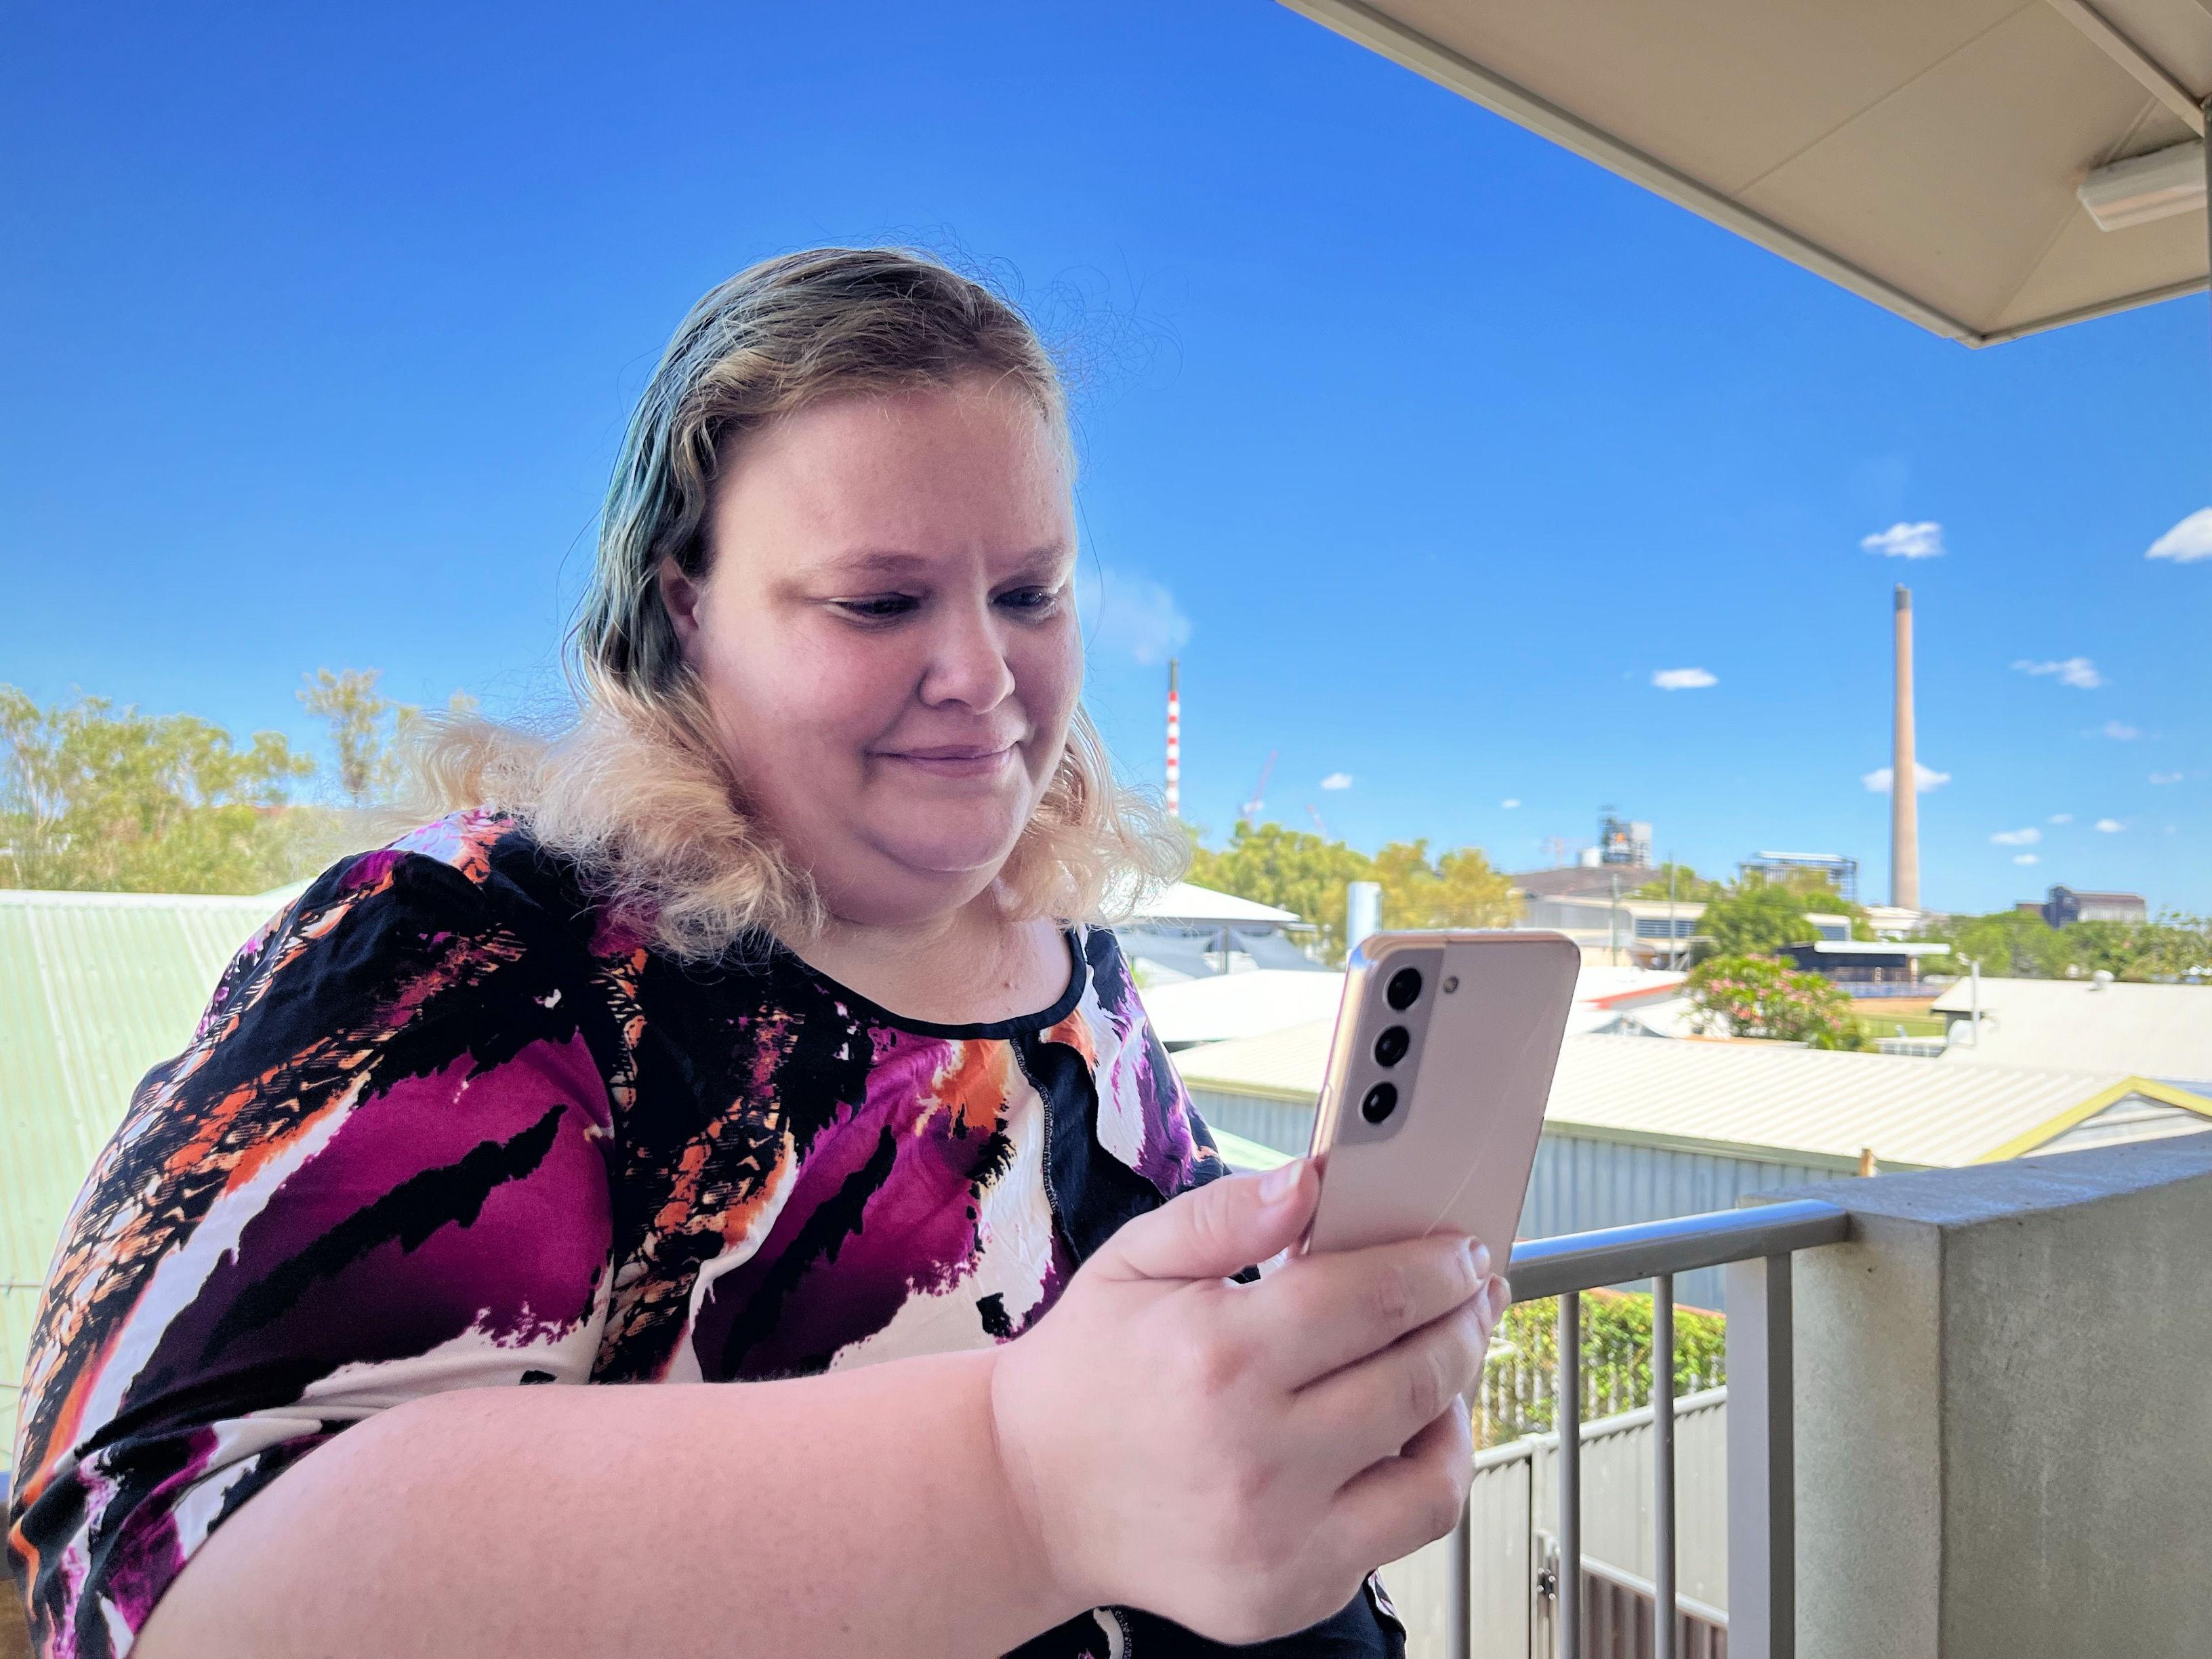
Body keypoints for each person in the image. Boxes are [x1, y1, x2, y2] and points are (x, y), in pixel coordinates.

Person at [6, 249, 1507, 1659]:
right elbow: (143, 1564)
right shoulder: (474, 950)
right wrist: (1020, 1485)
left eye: (1033, 593)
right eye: (879, 599)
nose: (984, 675)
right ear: (686, 607)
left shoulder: (1078, 981)